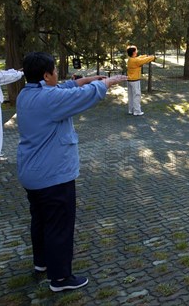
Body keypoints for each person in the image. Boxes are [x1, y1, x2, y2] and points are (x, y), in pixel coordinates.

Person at [16, 52, 126, 292]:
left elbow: (64, 89)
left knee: (41, 221)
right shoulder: (48, 99)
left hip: (32, 174)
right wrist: (103, 84)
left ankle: (42, 263)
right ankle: (61, 279)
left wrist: (83, 79)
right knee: (59, 225)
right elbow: (79, 97)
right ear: (46, 75)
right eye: (55, 71)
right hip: (52, 175)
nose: (58, 74)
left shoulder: (27, 93)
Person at [126, 45, 155, 116]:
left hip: (129, 80)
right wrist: (152, 57)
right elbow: (143, 60)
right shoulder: (135, 61)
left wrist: (146, 55)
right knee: (136, 95)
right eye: (135, 50)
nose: (136, 52)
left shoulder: (130, 59)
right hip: (135, 81)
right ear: (133, 52)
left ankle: (131, 110)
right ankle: (137, 111)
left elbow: (139, 58)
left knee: (131, 96)